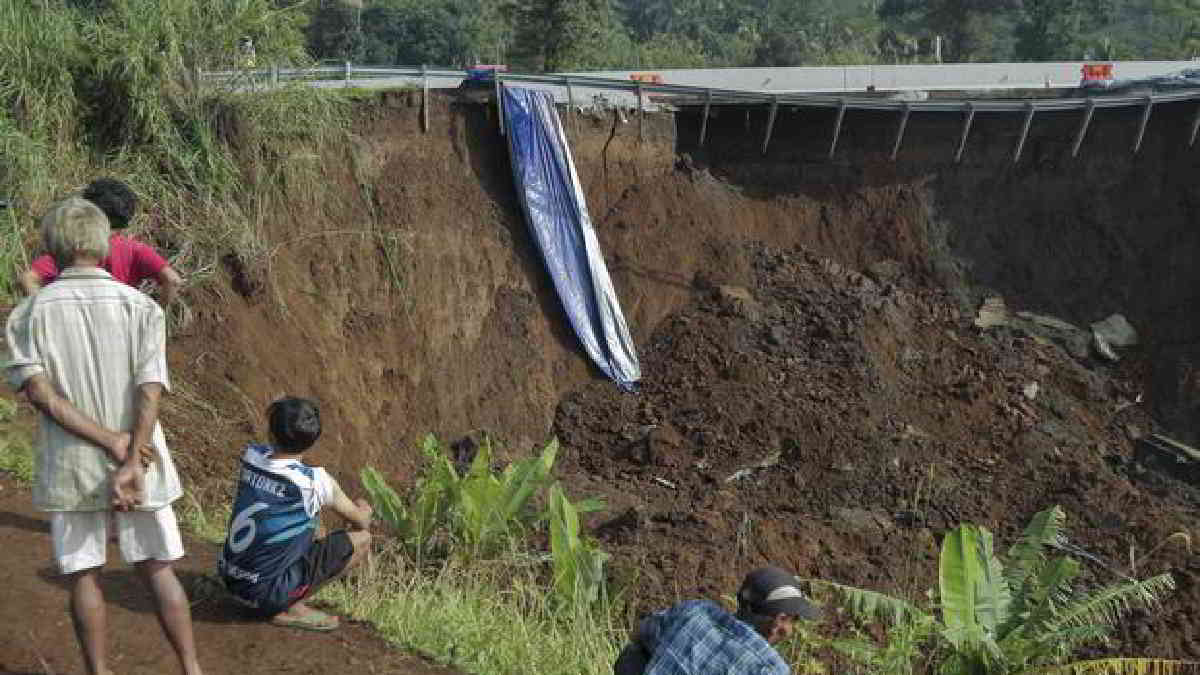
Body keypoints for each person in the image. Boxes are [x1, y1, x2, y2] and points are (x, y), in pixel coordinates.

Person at [5, 197, 203, 675]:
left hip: (71, 464)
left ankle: (99, 671)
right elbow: (150, 392)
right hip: (145, 459)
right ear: (102, 243)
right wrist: (131, 456)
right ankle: (192, 670)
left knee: (82, 573)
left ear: (52, 247)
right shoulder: (142, 309)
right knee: (157, 568)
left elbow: (42, 397)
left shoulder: (28, 315)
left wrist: (109, 442)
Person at [217, 396, 373, 631]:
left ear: (270, 434)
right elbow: (361, 520)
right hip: (264, 596)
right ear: (311, 441)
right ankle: (290, 605)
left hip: (229, 578)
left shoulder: (251, 456)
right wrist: (365, 507)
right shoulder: (315, 482)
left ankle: (281, 591)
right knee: (362, 539)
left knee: (308, 518)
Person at [614, 566, 820, 675]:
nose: (791, 630)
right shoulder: (770, 669)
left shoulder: (695, 612)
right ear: (778, 623)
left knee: (632, 655)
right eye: (792, 621)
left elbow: (641, 634)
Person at [19, 177, 184, 306]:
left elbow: (28, 278)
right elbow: (172, 280)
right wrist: (157, 314)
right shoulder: (136, 250)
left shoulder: (75, 247)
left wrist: (41, 308)